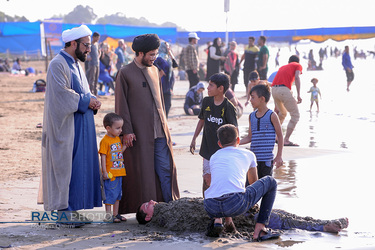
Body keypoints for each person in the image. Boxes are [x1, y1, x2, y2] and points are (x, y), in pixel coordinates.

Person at [39, 25, 102, 226]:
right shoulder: (58, 64)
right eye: (86, 45)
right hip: (66, 127)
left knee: (78, 169)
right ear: (73, 43)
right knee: (66, 169)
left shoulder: (76, 64)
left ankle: (73, 210)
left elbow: (82, 91)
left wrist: (92, 99)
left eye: (89, 46)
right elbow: (62, 95)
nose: (88, 50)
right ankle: (63, 213)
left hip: (80, 127)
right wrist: (86, 101)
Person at [115, 34, 180, 214]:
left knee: (165, 169)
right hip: (138, 133)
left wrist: (165, 125)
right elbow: (121, 105)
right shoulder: (125, 73)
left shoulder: (154, 70)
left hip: (159, 131)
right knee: (142, 173)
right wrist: (126, 131)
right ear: (140, 53)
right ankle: (146, 211)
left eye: (156, 54)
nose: (154, 58)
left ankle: (170, 208)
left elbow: (160, 102)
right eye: (151, 54)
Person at [203, 124, 279, 240]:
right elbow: (254, 183)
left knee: (221, 187)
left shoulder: (214, 157)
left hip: (211, 205)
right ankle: (260, 230)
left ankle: (217, 220)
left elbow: (222, 184)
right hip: (235, 203)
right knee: (271, 182)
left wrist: (229, 219)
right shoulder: (248, 154)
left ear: (219, 143)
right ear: (238, 140)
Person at [136, 197, 348, 235]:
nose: (153, 201)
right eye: (148, 205)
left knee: (285, 215)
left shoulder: (172, 207)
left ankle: (323, 221)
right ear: (148, 218)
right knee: (282, 220)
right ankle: (323, 227)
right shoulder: (168, 221)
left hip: (234, 207)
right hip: (239, 216)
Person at [190, 73, 238, 194]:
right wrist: (194, 138)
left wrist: (234, 151)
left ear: (221, 89)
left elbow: (234, 131)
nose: (208, 88)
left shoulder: (228, 107)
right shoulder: (206, 102)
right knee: (206, 178)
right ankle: (206, 204)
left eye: (211, 85)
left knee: (220, 179)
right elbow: (201, 121)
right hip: (207, 148)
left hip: (223, 151)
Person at [240, 84, 284, 179]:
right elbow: (250, 137)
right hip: (253, 161)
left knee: (265, 187)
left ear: (262, 99)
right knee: (252, 187)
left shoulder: (272, 115)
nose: (250, 100)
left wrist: (279, 156)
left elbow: (280, 136)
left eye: (252, 97)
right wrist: (236, 142)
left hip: (267, 161)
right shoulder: (251, 116)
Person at [98, 113, 127, 223]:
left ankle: (116, 214)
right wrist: (104, 172)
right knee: (110, 193)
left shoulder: (116, 139)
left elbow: (118, 153)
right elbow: (103, 157)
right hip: (110, 173)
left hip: (119, 171)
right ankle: (108, 215)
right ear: (108, 128)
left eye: (121, 127)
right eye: (118, 128)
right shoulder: (105, 141)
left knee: (118, 194)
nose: (120, 130)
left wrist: (125, 145)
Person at [271, 55, 302, 147]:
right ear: (298, 61)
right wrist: (299, 95)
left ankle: (275, 137)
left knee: (282, 113)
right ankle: (286, 140)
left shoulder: (283, 67)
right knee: (295, 115)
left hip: (274, 90)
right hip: (283, 90)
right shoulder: (297, 65)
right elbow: (297, 77)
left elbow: (282, 82)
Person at [153, 41, 178, 117]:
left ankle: (164, 123)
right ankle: (162, 123)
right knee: (161, 105)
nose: (168, 47)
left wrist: (170, 54)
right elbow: (153, 65)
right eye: (166, 46)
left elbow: (175, 65)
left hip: (168, 85)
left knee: (168, 105)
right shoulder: (158, 57)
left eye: (168, 46)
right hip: (161, 85)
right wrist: (160, 70)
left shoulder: (168, 58)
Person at [86, 32, 101, 96]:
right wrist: (88, 57)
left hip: (97, 64)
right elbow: (86, 53)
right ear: (94, 37)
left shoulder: (96, 45)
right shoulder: (90, 45)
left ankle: (95, 93)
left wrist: (99, 55)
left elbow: (98, 53)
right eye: (97, 38)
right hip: (92, 64)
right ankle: (91, 93)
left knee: (96, 79)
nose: (98, 39)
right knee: (92, 79)